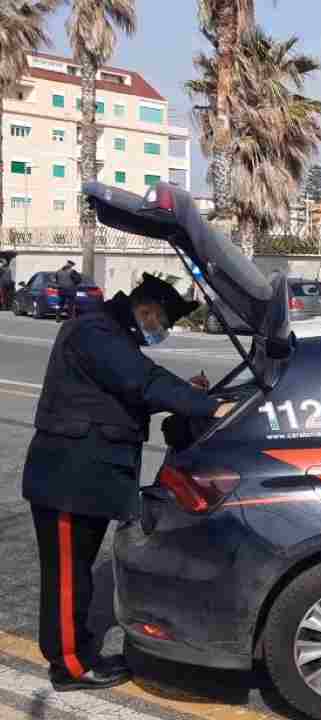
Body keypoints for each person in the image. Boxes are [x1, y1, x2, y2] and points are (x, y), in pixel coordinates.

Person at [22, 273, 235, 692]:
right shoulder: (96, 331)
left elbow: (125, 395)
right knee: (66, 576)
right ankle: (70, 666)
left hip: (86, 478)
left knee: (77, 573)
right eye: (161, 323)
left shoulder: (110, 333)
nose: (161, 332)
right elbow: (143, 381)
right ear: (146, 310)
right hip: (67, 478)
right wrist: (209, 407)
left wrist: (186, 394)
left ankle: (76, 650)